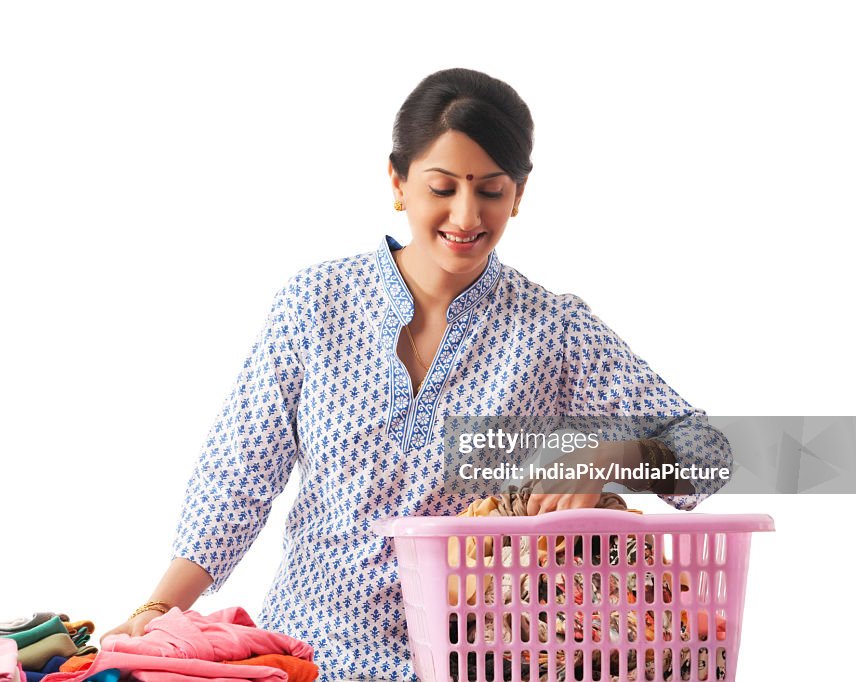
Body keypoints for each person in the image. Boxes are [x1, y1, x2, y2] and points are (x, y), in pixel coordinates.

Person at [100, 67, 732, 681]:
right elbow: (239, 473)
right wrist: (158, 610)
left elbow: (712, 452)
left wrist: (612, 454)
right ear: (398, 182)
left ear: (519, 192)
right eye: (441, 187)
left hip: (480, 661)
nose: (465, 216)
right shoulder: (316, 303)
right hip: (310, 657)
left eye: (491, 189)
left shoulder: (553, 329)